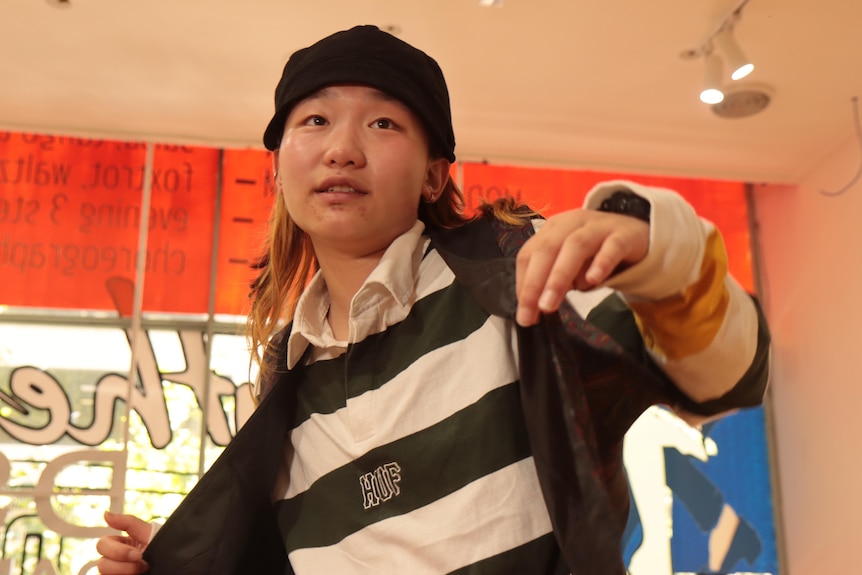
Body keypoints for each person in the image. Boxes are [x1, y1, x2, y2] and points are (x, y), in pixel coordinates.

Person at [96, 24, 769, 575]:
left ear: (434, 173)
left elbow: (730, 378)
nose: (341, 150)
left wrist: (658, 250)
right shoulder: (287, 375)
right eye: (315, 119)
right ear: (275, 166)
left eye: (383, 124)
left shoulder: (515, 273)